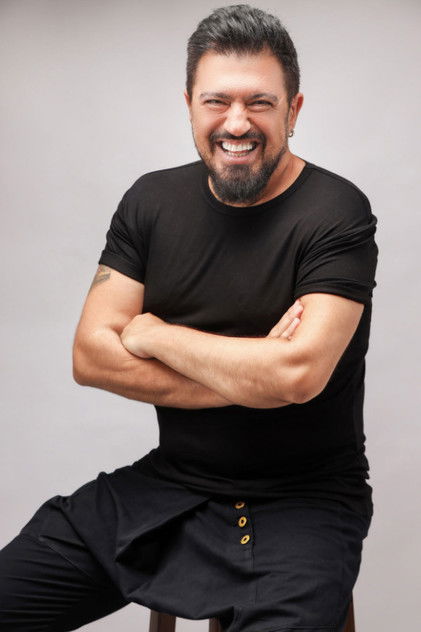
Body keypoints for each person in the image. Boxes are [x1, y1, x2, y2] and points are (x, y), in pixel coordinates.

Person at [0, 4, 378, 631]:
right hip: (170, 486)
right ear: (189, 105)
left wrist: (155, 334)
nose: (237, 122)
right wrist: (252, 375)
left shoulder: (337, 212)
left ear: (293, 110)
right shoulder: (150, 200)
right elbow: (90, 356)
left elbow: (296, 375)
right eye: (216, 101)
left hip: (304, 502)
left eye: (260, 102)